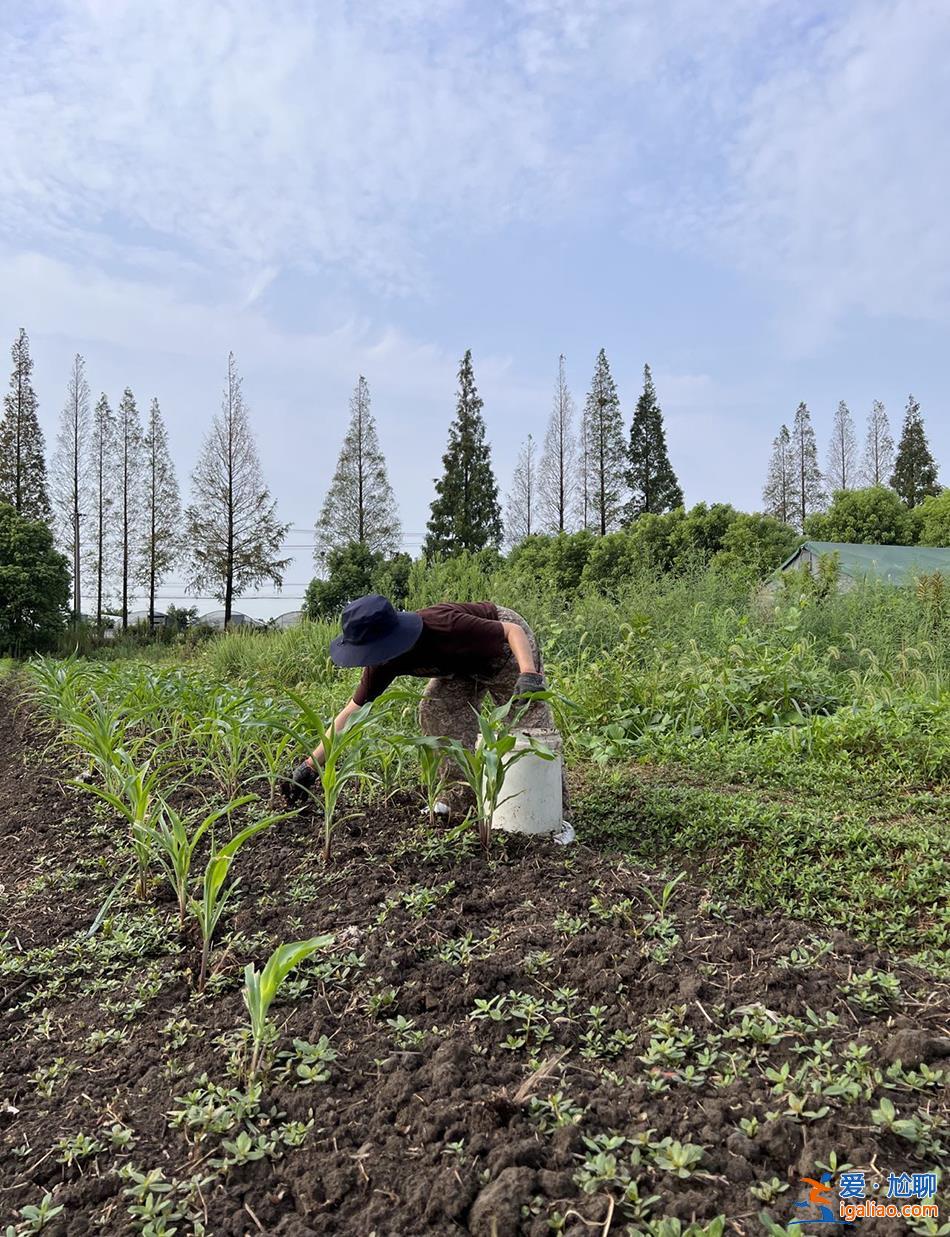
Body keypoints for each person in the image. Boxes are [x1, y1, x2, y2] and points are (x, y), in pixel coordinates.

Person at [285, 594, 561, 810]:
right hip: (461, 667)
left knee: (529, 726)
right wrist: (310, 766)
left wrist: (529, 675)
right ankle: (459, 799)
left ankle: (553, 813)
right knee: (435, 709)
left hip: (505, 652)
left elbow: (512, 631)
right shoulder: (383, 661)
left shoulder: (442, 625)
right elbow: (351, 712)